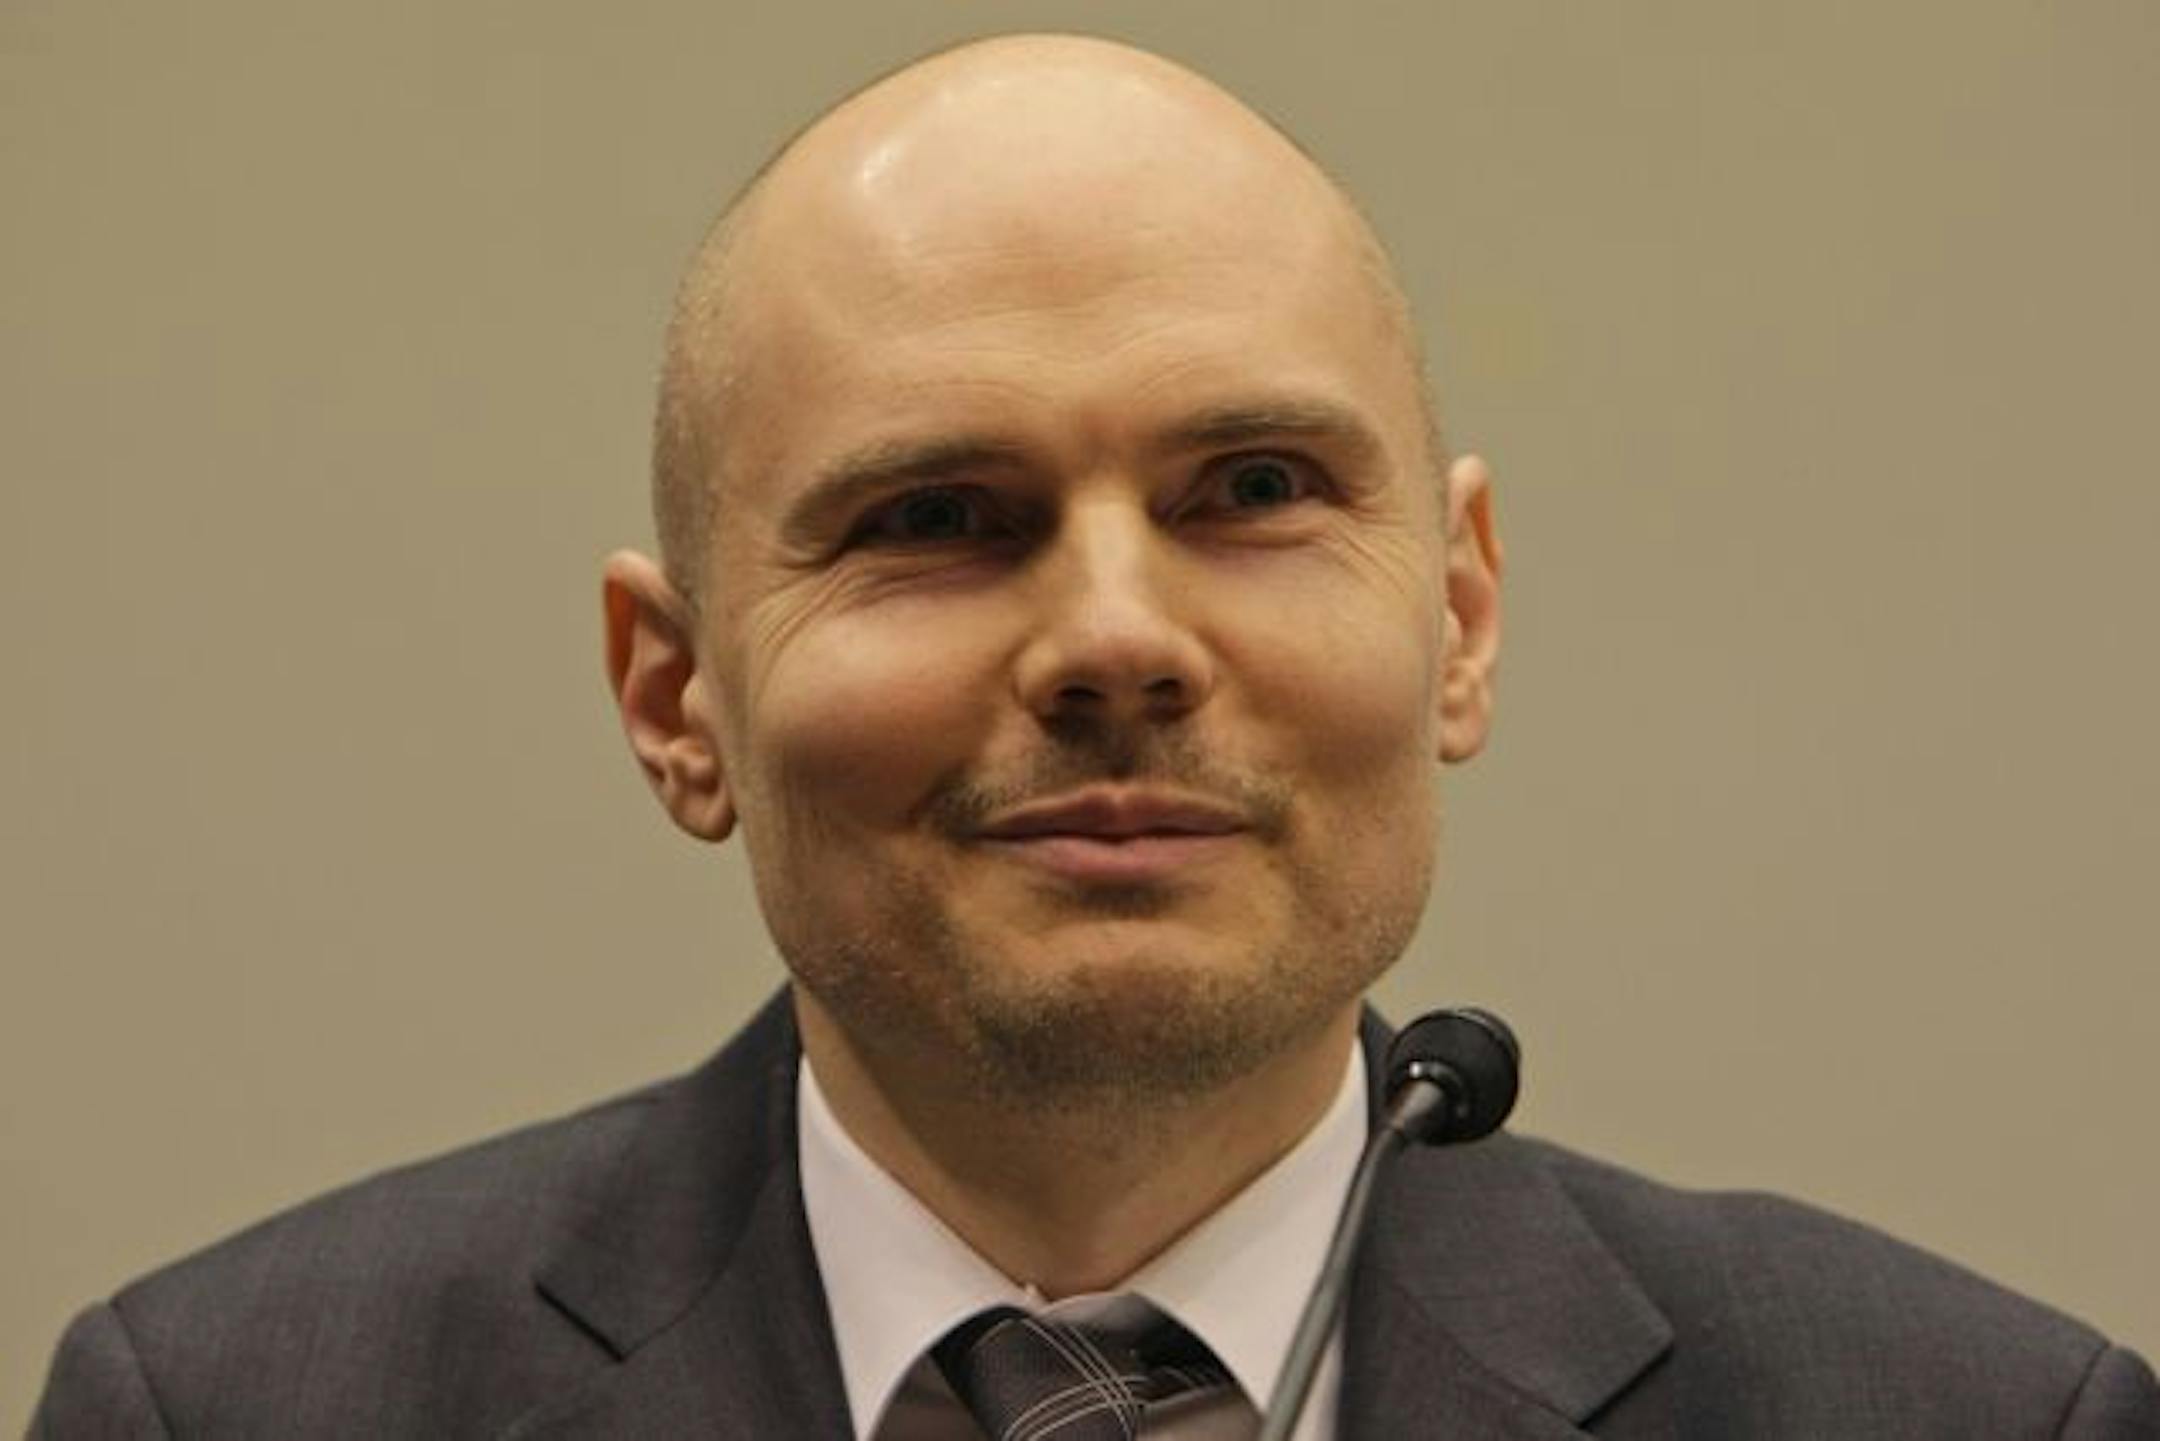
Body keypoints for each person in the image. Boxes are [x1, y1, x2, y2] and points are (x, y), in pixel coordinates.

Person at [31, 32, 2157, 1440]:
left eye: (1251, 492)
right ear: (676, 698)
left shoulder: (1973, 1414)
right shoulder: (231, 1408)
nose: (1118, 638)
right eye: (939, 519)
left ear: (1460, 614)